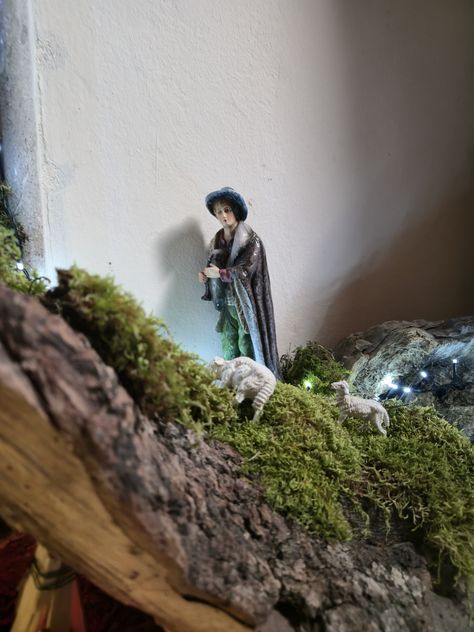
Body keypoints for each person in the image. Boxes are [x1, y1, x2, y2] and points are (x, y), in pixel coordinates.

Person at [198, 187, 280, 379]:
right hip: (227, 304)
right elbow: (213, 265)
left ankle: (250, 381)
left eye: (227, 210)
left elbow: (246, 269)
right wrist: (206, 276)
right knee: (229, 343)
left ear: (235, 210)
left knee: (246, 343)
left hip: (245, 304)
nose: (223, 216)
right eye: (219, 212)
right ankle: (231, 380)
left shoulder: (250, 240)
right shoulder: (216, 241)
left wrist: (222, 274)